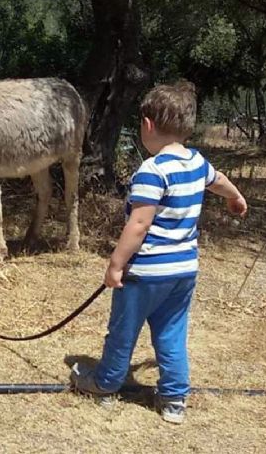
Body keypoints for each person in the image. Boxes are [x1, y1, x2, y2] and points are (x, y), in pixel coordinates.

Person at [69, 80, 248, 424]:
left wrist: (115, 264)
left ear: (148, 125)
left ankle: (105, 385)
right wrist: (235, 197)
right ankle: (174, 399)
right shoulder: (196, 161)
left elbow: (138, 225)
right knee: (172, 332)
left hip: (145, 274)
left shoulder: (151, 171)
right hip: (183, 271)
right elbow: (218, 180)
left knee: (124, 330)